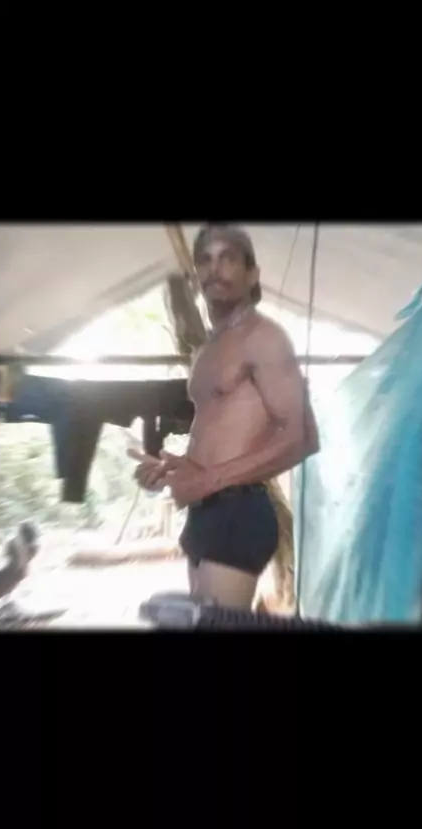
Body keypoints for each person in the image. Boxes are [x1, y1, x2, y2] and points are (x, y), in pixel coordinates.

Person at [133, 224, 320, 609]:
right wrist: (177, 467)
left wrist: (208, 479)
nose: (214, 268)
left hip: (240, 509)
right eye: (205, 260)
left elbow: (303, 436)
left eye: (228, 258)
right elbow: (223, 433)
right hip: (204, 512)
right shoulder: (208, 349)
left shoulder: (264, 338)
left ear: (252, 275)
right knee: (199, 620)